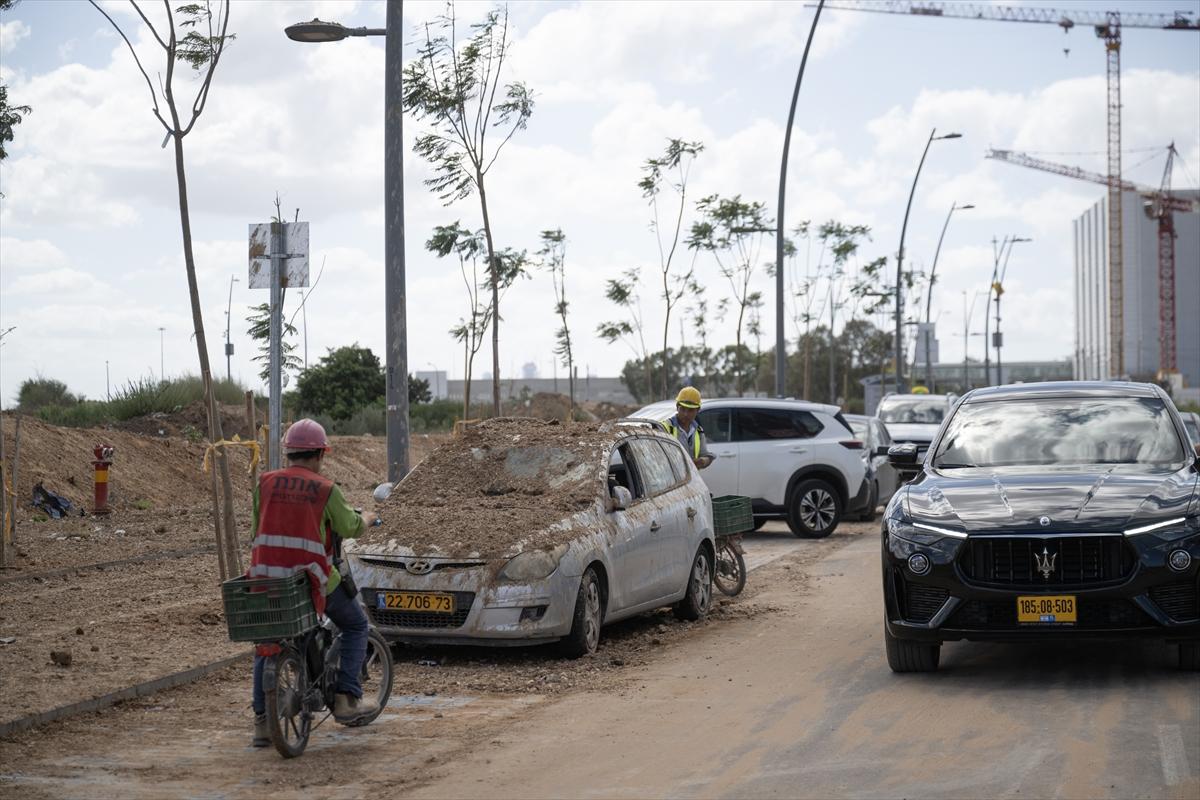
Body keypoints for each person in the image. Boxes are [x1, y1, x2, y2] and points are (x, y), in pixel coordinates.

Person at [248, 418, 380, 747]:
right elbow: (349, 526)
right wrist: (367, 518)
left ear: (289, 453)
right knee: (355, 626)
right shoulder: (324, 489)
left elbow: (255, 528)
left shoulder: (264, 483)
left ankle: (262, 723)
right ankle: (346, 699)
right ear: (320, 454)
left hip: (266, 579)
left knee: (267, 643)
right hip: (312, 580)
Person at [660, 386, 714, 469]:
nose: (686, 414)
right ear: (677, 407)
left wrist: (702, 461)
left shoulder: (698, 431)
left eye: (690, 410)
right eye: (683, 409)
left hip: (690, 479)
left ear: (698, 410)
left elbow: (706, 455)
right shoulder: (664, 427)